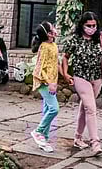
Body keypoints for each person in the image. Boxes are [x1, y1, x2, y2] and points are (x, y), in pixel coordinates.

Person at [60, 11, 102, 156]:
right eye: (88, 25)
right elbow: (65, 57)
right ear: (82, 25)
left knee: (85, 107)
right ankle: (95, 142)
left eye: (94, 25)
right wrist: (65, 73)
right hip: (81, 76)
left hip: (97, 77)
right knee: (91, 108)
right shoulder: (75, 39)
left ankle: (77, 138)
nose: (91, 28)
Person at [30, 21, 60, 153]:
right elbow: (39, 69)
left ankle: (44, 139)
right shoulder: (44, 47)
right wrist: (49, 83)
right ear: (49, 33)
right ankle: (38, 131)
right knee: (54, 109)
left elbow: (54, 64)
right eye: (52, 27)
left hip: (52, 83)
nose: (55, 28)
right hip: (44, 83)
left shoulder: (53, 45)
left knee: (48, 109)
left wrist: (63, 77)